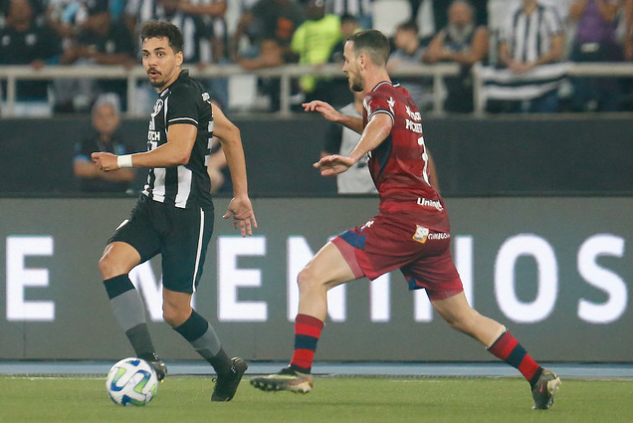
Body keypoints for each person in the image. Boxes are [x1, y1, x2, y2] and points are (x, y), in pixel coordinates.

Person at [250, 29, 561, 411]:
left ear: (363, 61)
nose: (344, 66)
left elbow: (379, 126)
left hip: (402, 220)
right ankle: (537, 375)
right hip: (434, 222)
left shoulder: (379, 98)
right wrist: (342, 118)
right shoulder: (404, 99)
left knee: (311, 277)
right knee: (462, 316)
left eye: (347, 59)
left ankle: (299, 370)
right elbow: (384, 126)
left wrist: (353, 156)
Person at [91, 20, 257, 402]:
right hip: (153, 205)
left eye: (160, 54)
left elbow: (180, 151)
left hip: (186, 214)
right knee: (111, 263)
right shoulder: (180, 95)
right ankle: (148, 361)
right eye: (147, 54)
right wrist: (242, 194)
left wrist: (121, 161)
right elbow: (231, 134)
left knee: (176, 311)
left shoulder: (182, 95)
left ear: (179, 58)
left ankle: (225, 368)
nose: (152, 62)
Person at [494, 0, 565, 113]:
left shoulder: (549, 14)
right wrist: (511, 63)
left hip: (544, 81)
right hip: (516, 81)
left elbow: (557, 50)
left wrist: (532, 64)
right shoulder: (510, 16)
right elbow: (502, 50)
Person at [423, 0, 488, 113]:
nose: (458, 17)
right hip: (448, 88)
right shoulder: (444, 34)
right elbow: (429, 55)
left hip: (472, 87)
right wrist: (434, 56)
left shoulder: (479, 32)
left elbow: (475, 56)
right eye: (455, 13)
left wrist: (447, 54)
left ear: (470, 15)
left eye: (461, 13)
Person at [312, 90, 377, 194]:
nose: (364, 89)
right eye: (360, 85)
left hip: (381, 194)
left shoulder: (390, 118)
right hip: (350, 194)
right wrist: (334, 165)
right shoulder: (338, 119)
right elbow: (326, 165)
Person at [568, 0, 623, 112]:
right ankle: (580, 106)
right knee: (579, 82)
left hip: (606, 45)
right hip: (582, 43)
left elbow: (610, 16)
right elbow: (573, 15)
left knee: (607, 84)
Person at [74, 94, 135, 193]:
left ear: (117, 119)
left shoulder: (126, 144)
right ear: (94, 120)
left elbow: (128, 174)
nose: (105, 121)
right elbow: (81, 169)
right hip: (91, 197)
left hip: (119, 197)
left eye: (109, 116)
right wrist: (112, 169)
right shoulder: (87, 144)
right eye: (101, 116)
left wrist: (96, 170)